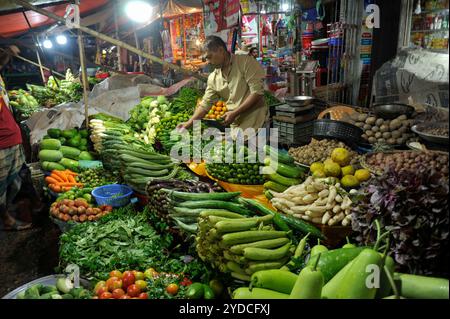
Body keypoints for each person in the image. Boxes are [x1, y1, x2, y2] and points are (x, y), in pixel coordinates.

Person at [177, 36, 268, 138]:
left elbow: (257, 93)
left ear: (221, 50)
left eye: (210, 57)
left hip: (257, 124)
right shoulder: (213, 78)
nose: (208, 61)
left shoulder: (246, 63)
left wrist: (234, 113)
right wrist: (188, 124)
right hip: (236, 128)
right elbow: (205, 104)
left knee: (258, 153)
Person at [0, 45, 32, 231]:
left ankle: (20, 207)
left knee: (17, 179)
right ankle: (7, 219)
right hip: (2, 142)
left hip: (12, 136)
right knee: (1, 186)